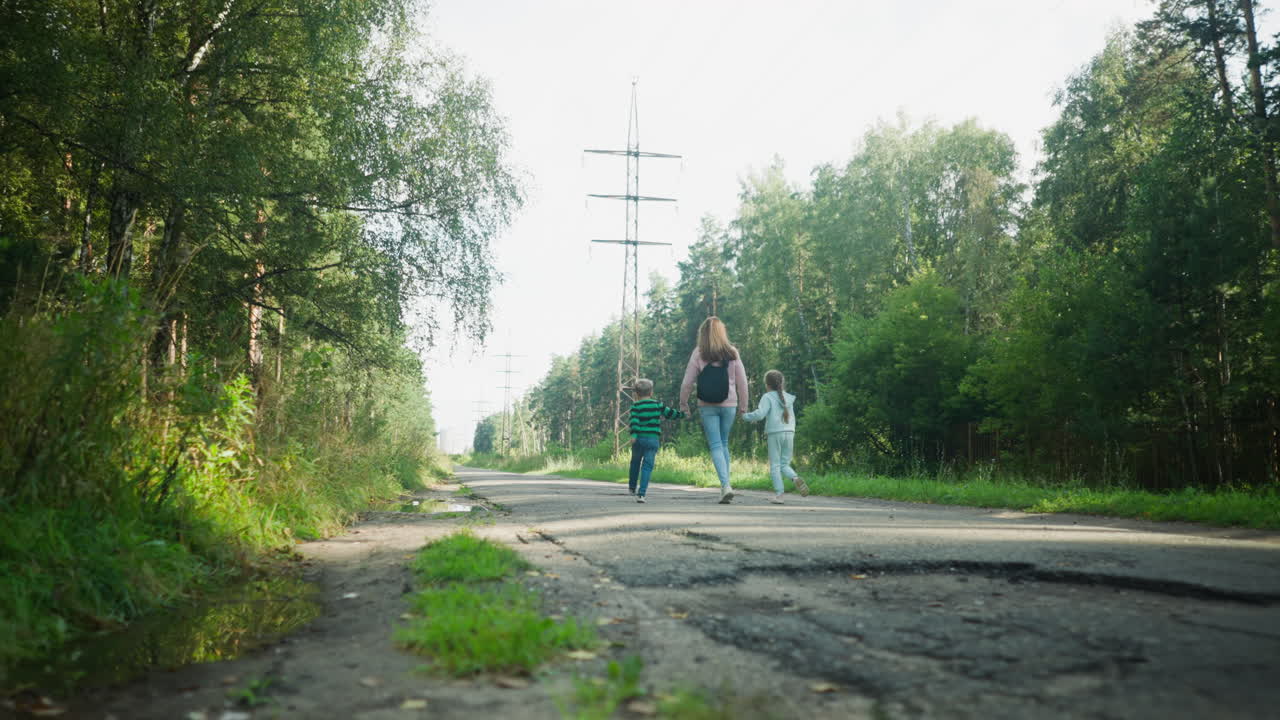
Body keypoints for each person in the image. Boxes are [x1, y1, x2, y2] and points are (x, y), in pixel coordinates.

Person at [680, 316, 749, 504]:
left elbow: (687, 382)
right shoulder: (732, 352)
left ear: (703, 334)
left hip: (707, 405)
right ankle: (725, 486)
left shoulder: (699, 352)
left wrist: (683, 404)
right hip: (730, 405)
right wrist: (744, 406)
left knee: (716, 445)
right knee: (724, 443)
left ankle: (725, 485)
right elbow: (742, 381)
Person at [742, 369, 809, 504]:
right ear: (782, 383)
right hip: (790, 432)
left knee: (775, 465)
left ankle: (779, 495)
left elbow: (760, 415)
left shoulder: (767, 397)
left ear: (767, 384)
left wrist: (745, 416)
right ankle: (795, 478)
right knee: (784, 464)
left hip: (775, 433)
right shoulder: (788, 398)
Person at [627, 377, 685, 503]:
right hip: (653, 440)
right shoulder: (657, 404)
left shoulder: (635, 406)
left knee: (635, 463)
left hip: (639, 440)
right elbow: (670, 413)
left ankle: (632, 487)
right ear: (651, 392)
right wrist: (682, 414)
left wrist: (634, 435)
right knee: (647, 466)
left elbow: (634, 421)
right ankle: (641, 494)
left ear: (636, 394)